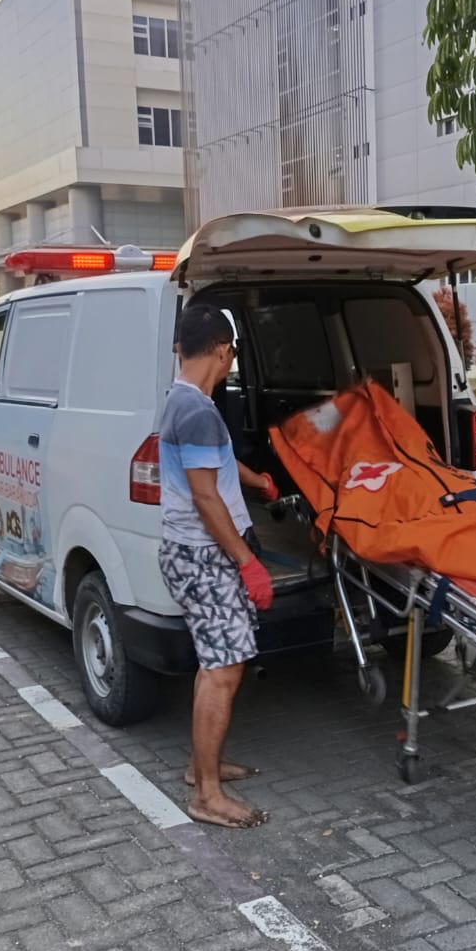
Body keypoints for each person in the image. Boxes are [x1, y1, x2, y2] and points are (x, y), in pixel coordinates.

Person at [157, 303, 278, 829]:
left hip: (192, 553)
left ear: (181, 347)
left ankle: (200, 767)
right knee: (222, 671)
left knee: (219, 662)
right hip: (204, 557)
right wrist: (249, 562)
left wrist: (258, 482)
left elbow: (215, 465)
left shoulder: (184, 401)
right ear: (225, 351)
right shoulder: (199, 412)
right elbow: (205, 499)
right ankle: (206, 794)